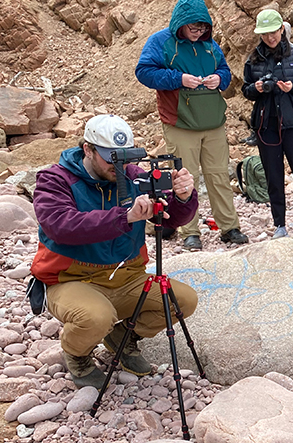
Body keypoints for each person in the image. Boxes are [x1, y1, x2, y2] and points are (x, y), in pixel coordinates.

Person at [30, 114, 200, 389]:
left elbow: (169, 219)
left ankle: (122, 338)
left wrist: (182, 197)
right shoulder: (55, 179)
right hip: (71, 279)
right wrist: (125, 217)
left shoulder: (133, 176)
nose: (119, 166)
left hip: (126, 276)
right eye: (111, 158)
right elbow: (61, 227)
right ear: (88, 149)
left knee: (183, 301)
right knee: (95, 317)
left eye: (125, 158)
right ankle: (77, 355)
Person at [135, 0, 248, 251]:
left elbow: (225, 71)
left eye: (203, 27)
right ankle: (190, 231)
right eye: (193, 27)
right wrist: (179, 79)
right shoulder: (160, 42)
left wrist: (220, 79)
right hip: (180, 121)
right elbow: (144, 72)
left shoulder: (210, 44)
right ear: (181, 23)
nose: (198, 32)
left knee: (219, 174)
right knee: (185, 178)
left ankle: (229, 227)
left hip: (213, 121)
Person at [241, 9, 293, 244]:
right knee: (273, 178)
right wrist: (255, 88)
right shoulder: (254, 59)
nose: (270, 38)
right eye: (264, 34)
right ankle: (280, 226)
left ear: (281, 29)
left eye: (273, 32)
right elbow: (246, 90)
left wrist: (292, 86)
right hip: (266, 127)